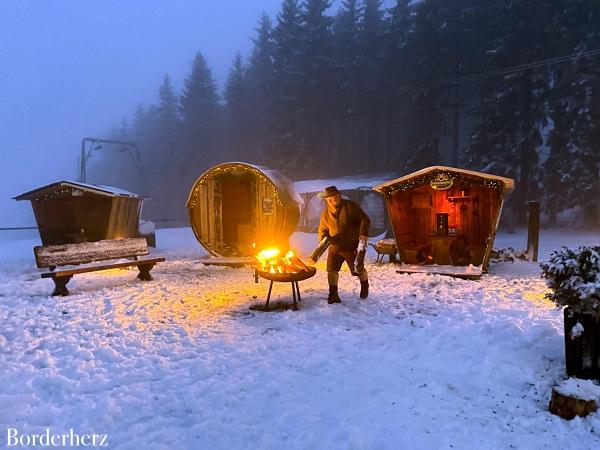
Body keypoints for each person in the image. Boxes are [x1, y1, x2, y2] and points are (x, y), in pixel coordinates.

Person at [317, 186, 370, 304]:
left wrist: (363, 233)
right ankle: (333, 294)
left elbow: (364, 219)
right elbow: (322, 228)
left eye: (334, 197)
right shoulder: (325, 213)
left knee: (357, 269)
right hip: (334, 246)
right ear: (326, 200)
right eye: (329, 199)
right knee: (331, 270)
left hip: (351, 244)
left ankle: (365, 285)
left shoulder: (351, 206)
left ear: (338, 195)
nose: (332, 200)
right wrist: (323, 239)